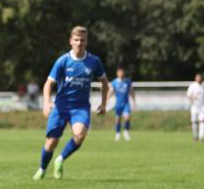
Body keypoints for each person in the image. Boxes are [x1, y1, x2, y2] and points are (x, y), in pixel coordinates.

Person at [33, 26, 109, 180]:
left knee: (80, 134)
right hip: (61, 106)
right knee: (51, 142)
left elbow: (105, 82)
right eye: (76, 40)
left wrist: (103, 103)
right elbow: (48, 84)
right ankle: (42, 169)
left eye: (82, 40)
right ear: (70, 41)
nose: (79, 43)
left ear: (86, 42)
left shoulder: (94, 61)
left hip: (80, 107)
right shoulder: (63, 61)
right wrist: (46, 103)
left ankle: (60, 160)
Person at [110, 66, 136, 142]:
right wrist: (106, 100)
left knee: (127, 117)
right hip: (118, 104)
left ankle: (126, 132)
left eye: (122, 72)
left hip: (126, 104)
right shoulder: (114, 82)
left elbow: (131, 91)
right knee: (118, 120)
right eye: (119, 72)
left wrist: (134, 101)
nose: (121, 73)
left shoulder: (128, 81)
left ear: (123, 73)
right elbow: (110, 91)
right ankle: (117, 133)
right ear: (117, 73)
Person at [187, 73, 204, 142]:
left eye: (200, 77)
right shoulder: (192, 85)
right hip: (194, 106)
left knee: (202, 121)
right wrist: (193, 98)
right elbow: (189, 95)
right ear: (195, 78)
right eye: (197, 77)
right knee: (194, 122)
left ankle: (201, 137)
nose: (199, 79)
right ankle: (195, 137)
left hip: (203, 106)